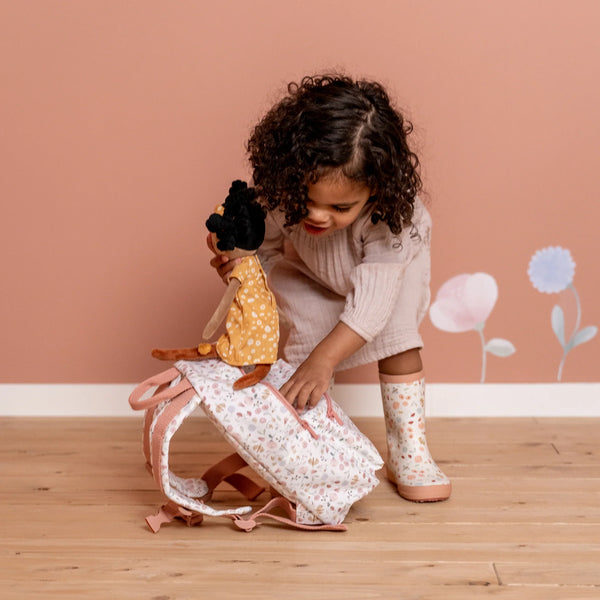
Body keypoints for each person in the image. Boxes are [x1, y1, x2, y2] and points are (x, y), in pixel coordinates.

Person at [210, 74, 451, 503]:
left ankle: (408, 451)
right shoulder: (281, 197)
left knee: (397, 340)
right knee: (307, 353)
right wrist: (235, 263)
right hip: (311, 272)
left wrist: (328, 359)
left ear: (374, 191)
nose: (318, 216)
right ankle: (310, 451)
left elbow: (373, 303)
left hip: (388, 277)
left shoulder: (392, 219)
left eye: (340, 207)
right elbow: (260, 255)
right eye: (308, 200)